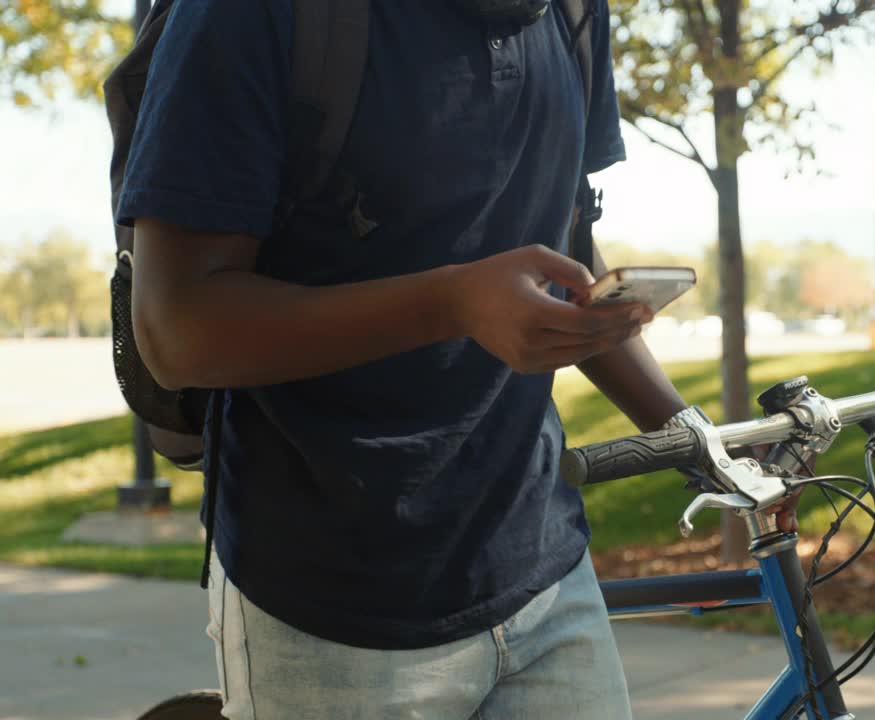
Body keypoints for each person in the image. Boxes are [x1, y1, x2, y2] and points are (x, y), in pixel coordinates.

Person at [119, 0, 695, 717]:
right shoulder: (252, 15)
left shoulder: (573, 12)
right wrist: (454, 303)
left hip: (545, 574)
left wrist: (689, 434)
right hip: (330, 605)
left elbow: (562, 230)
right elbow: (176, 330)